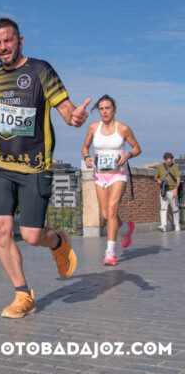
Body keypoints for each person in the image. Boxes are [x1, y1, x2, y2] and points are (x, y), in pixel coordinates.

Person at [0, 17, 90, 318]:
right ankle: (23, 295)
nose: (3, 47)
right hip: (2, 165)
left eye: (8, 41)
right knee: (0, 229)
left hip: (35, 167)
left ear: (20, 41)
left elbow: (66, 111)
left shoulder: (40, 70)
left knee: (32, 235)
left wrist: (75, 118)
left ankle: (58, 241)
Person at [81, 95, 141, 266]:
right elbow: (85, 148)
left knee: (112, 210)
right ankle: (126, 228)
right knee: (107, 215)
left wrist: (127, 154)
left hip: (118, 173)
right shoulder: (93, 128)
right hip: (100, 174)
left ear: (114, 110)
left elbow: (137, 148)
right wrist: (86, 157)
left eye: (108, 108)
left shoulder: (123, 129)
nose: (104, 111)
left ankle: (110, 252)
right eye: (101, 109)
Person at [154, 153, 181, 232]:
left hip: (172, 189)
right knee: (163, 208)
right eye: (169, 161)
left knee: (175, 208)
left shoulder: (174, 166)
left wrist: (176, 189)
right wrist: (158, 180)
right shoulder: (160, 167)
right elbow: (155, 177)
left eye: (171, 161)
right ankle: (163, 225)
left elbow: (178, 178)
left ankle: (177, 225)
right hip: (163, 190)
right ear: (164, 160)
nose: (170, 163)